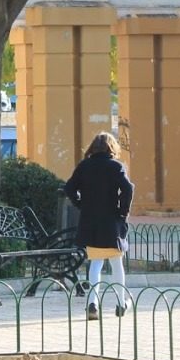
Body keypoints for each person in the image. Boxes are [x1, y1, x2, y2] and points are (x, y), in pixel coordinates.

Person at [64, 132, 134, 320]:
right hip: (111, 221)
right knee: (116, 262)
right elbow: (128, 188)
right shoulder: (115, 166)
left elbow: (69, 188)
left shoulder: (84, 166)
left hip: (90, 221)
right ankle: (120, 303)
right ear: (112, 148)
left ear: (92, 148)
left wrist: (81, 204)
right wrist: (123, 211)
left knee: (95, 263)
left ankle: (92, 303)